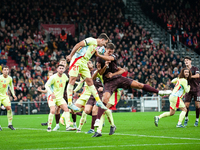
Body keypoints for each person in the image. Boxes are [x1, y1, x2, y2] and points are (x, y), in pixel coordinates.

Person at [92, 43, 171, 137]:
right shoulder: (99, 59)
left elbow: (113, 62)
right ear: (105, 49)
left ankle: (159, 92)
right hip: (108, 82)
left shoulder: (113, 55)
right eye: (109, 51)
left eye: (112, 52)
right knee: (105, 100)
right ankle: (99, 122)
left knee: (139, 85)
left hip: (118, 79)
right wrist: (104, 66)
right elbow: (100, 73)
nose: (110, 53)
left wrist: (112, 73)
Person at [75, 61, 123, 134]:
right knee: (87, 110)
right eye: (87, 63)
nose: (89, 63)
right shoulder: (86, 74)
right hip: (93, 93)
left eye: (90, 62)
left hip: (101, 93)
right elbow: (87, 80)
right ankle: (106, 123)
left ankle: (95, 129)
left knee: (97, 110)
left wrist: (103, 88)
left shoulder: (101, 71)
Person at [66, 33, 109, 111]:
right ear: (102, 40)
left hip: (84, 63)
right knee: (72, 80)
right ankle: (69, 103)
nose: (105, 45)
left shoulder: (96, 46)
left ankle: (98, 101)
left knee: (90, 81)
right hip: (77, 60)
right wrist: (70, 55)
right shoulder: (91, 40)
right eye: (105, 43)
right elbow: (78, 44)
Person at [45, 64, 74, 132]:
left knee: (66, 109)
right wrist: (51, 93)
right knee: (52, 110)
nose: (61, 69)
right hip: (53, 97)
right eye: (60, 68)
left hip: (60, 97)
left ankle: (68, 126)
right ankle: (49, 127)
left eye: (62, 68)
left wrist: (78, 82)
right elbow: (46, 85)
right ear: (57, 69)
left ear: (64, 70)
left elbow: (69, 81)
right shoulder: (53, 77)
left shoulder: (64, 76)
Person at [183, 56, 200, 127]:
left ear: (190, 61)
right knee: (186, 105)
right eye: (185, 61)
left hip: (196, 89)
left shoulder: (195, 68)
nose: (186, 61)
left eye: (187, 60)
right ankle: (186, 118)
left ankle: (196, 120)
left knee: (197, 105)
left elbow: (198, 75)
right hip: (188, 90)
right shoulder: (184, 70)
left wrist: (190, 76)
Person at [0, 65, 17, 131]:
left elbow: (11, 86)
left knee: (9, 108)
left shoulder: (10, 78)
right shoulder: (0, 78)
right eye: (5, 70)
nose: (6, 71)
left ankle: (10, 124)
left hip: (5, 95)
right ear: (2, 71)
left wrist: (13, 95)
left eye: (7, 70)